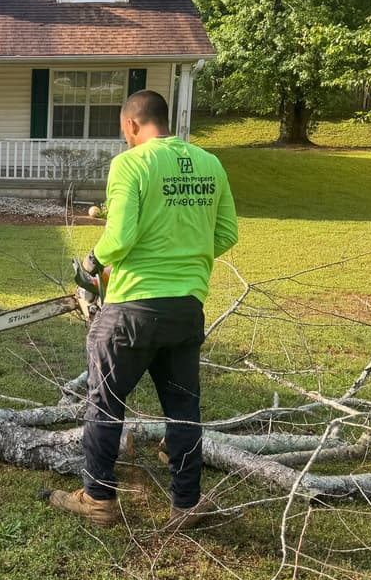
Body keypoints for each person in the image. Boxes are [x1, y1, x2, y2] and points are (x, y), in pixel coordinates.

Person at [48, 90, 238, 532]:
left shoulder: (130, 164)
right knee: (183, 409)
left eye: (125, 131)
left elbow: (120, 237)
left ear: (131, 125)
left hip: (132, 308)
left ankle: (98, 498)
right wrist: (182, 256)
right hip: (186, 307)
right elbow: (227, 232)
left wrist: (92, 265)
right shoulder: (210, 164)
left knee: (105, 403)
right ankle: (186, 504)